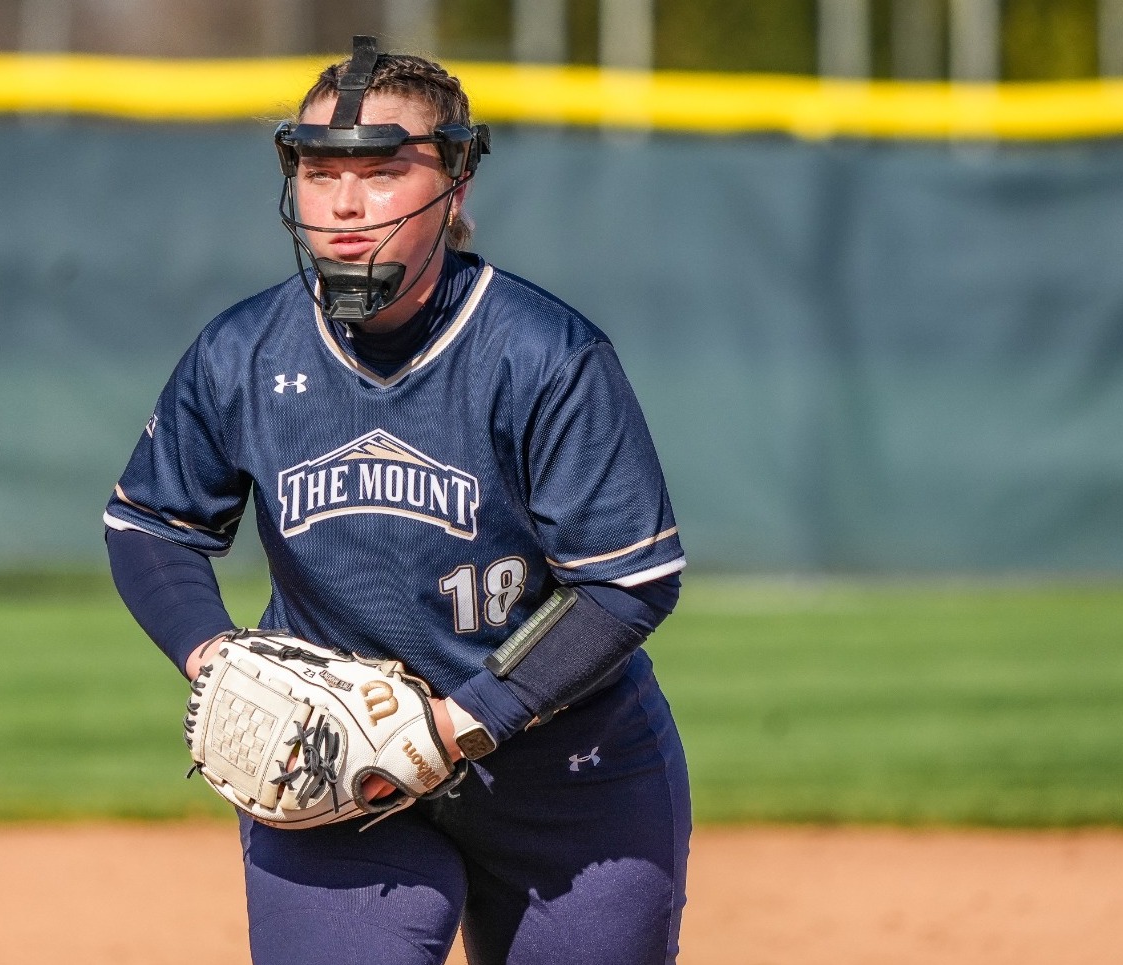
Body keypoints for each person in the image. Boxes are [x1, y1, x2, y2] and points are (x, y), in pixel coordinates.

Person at [104, 36, 691, 965]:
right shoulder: (242, 353)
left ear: (456, 184)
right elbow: (151, 525)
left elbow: (627, 580)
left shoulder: (543, 355)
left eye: (381, 170)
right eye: (317, 168)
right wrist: (214, 655)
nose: (343, 202)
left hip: (564, 774)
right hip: (334, 770)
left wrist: (456, 724)